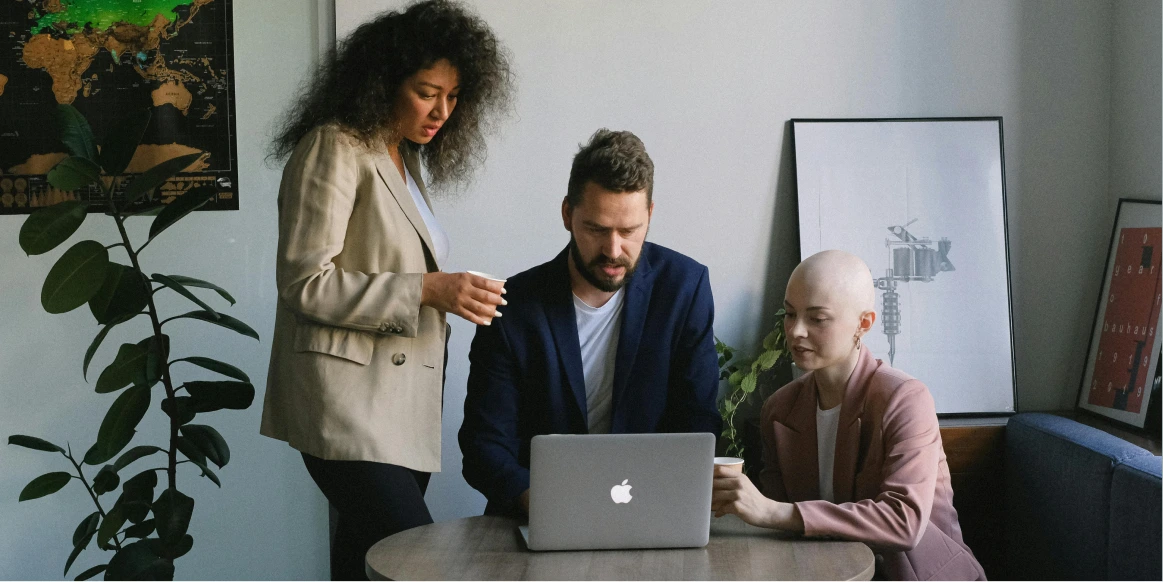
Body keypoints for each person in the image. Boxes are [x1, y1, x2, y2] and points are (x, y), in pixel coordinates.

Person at [260, 1, 513, 579]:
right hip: (347, 406)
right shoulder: (335, 147)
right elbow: (304, 282)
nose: (441, 111)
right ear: (384, 82)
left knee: (364, 562)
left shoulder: (401, 156)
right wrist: (425, 289)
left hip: (399, 406)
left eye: (453, 96)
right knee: (414, 558)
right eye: (427, 92)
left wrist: (442, 290)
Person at [458, 129, 722, 515]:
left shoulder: (685, 290)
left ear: (649, 215)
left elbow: (698, 423)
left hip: (652, 509)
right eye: (597, 230)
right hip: (539, 512)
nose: (613, 250)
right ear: (568, 214)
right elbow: (484, 444)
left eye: (629, 231)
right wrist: (546, 504)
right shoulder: (512, 307)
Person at [711, 250, 986, 581]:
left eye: (817, 318)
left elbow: (904, 522)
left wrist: (776, 512)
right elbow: (778, 529)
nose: (796, 331)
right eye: (789, 314)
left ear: (864, 323)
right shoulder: (780, 410)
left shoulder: (905, 400)